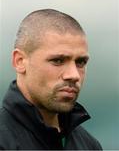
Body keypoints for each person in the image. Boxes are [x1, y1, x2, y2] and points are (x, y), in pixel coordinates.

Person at [0, 9, 102, 150]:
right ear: (20, 61)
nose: (74, 75)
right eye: (58, 60)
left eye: (80, 62)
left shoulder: (89, 145)